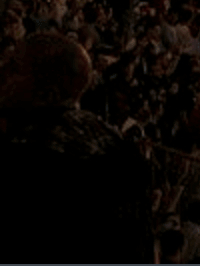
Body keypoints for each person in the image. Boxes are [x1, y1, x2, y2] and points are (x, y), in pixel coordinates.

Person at [0, 32, 153, 264]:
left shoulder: (30, 157)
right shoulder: (118, 146)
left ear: (47, 93)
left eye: (14, 69)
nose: (2, 72)